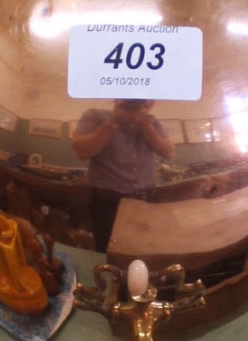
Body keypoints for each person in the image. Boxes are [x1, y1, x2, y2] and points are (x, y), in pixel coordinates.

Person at [71, 99, 174, 252]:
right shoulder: (95, 116)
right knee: (108, 250)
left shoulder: (151, 122)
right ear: (116, 99)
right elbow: (82, 151)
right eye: (128, 101)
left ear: (150, 104)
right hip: (108, 204)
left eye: (139, 102)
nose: (132, 105)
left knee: (144, 248)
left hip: (146, 201)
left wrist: (146, 126)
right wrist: (111, 123)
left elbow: (168, 152)